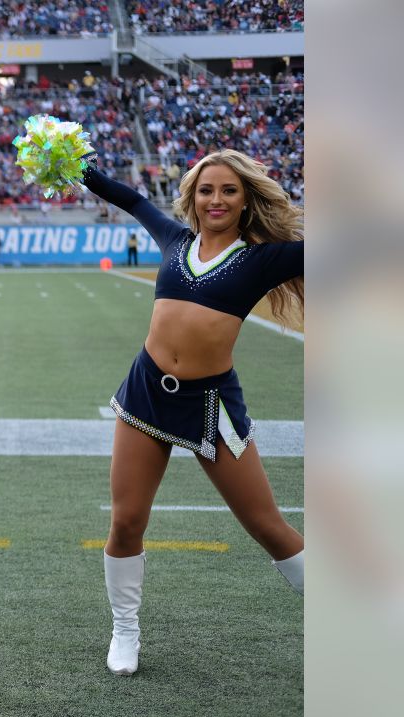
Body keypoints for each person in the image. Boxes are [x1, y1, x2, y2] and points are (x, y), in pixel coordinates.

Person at [82, 149, 304, 676]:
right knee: (127, 519)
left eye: (229, 190)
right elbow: (132, 199)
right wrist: (83, 172)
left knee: (267, 525)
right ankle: (126, 631)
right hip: (146, 394)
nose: (217, 199)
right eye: (207, 190)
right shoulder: (175, 241)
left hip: (209, 403)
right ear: (193, 197)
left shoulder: (264, 257)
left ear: (247, 198)